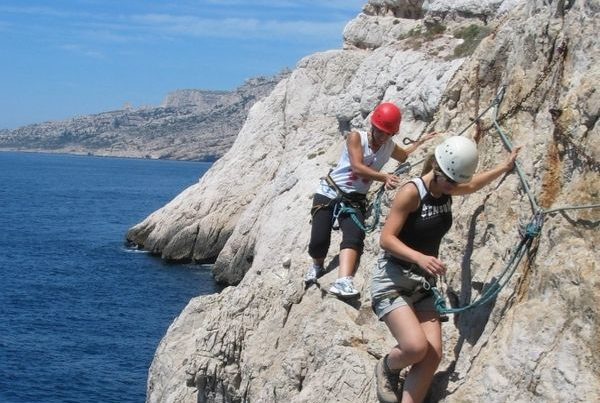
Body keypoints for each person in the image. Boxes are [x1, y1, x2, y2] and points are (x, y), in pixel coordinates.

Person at [371, 135, 521, 403]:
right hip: (393, 279)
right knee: (415, 347)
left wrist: (503, 167)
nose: (454, 187)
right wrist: (419, 257)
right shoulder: (412, 192)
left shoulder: (446, 188)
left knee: (433, 355)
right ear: (437, 169)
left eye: (456, 182)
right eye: (450, 181)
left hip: (422, 283)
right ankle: (387, 367)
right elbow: (387, 239)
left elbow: (472, 184)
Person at [304, 101, 436, 298]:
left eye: (387, 133)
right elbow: (357, 166)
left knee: (354, 235)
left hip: (354, 199)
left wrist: (422, 142)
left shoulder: (389, 146)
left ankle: (343, 280)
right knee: (319, 241)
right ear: (372, 126)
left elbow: (405, 155)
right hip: (330, 192)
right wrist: (384, 177)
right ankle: (317, 265)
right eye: (379, 130)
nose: (382, 136)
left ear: (392, 134)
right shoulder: (356, 137)